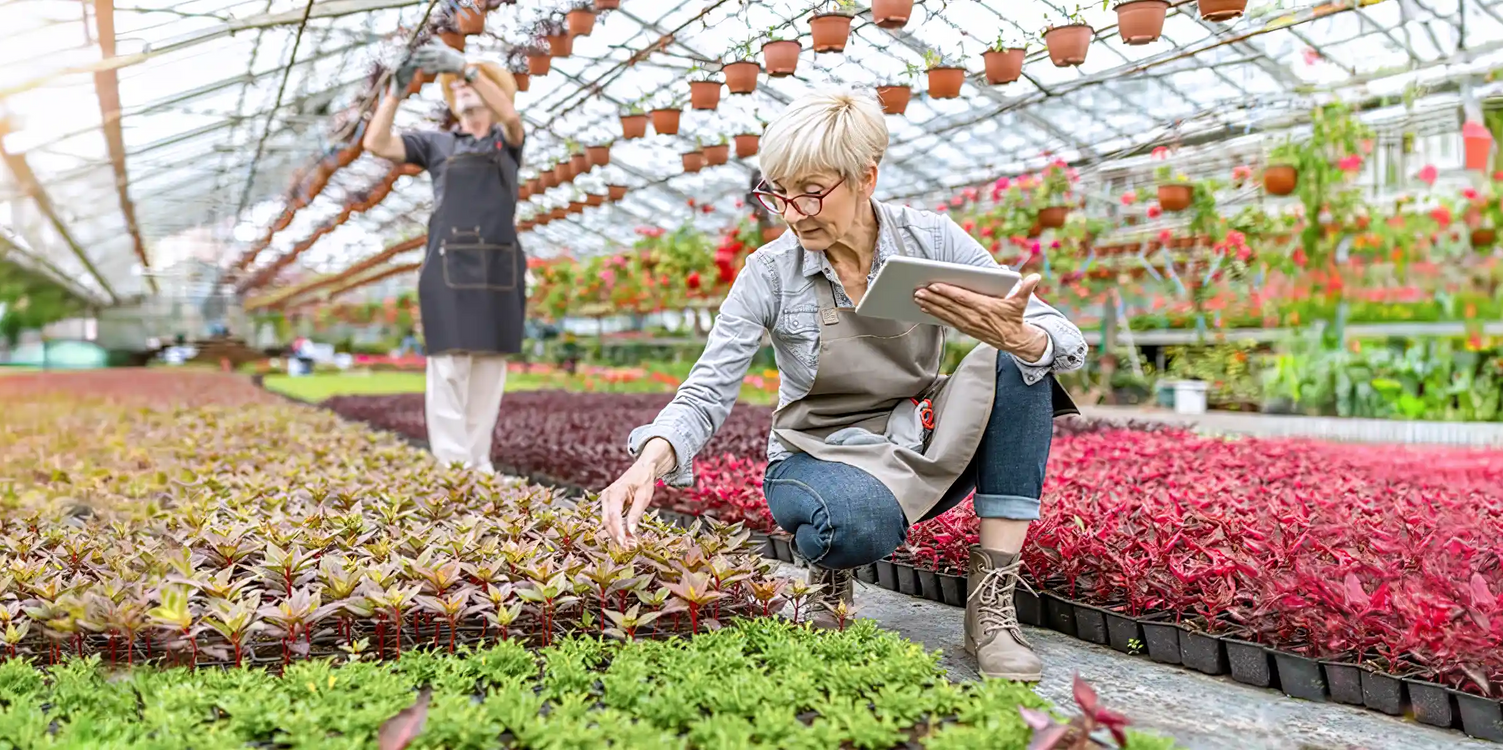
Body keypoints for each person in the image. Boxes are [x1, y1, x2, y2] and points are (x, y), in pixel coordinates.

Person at [596, 90, 1087, 683]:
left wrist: (1026, 338)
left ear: (866, 178)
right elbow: (708, 389)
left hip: (918, 438)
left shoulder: (929, 239)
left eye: (811, 191)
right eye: (778, 192)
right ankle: (830, 572)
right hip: (816, 455)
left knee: (1020, 362)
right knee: (852, 523)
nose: (793, 211)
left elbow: (1052, 326)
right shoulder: (770, 273)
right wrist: (650, 459)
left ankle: (991, 607)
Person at [363, 41, 524, 476]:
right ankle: (454, 468)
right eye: (458, 84)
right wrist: (394, 93)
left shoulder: (507, 142)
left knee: (488, 370)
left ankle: (480, 465)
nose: (466, 88)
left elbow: (510, 117)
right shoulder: (438, 144)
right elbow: (376, 143)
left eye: (477, 83)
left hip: (499, 269)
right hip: (448, 267)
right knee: (449, 368)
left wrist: (466, 69)